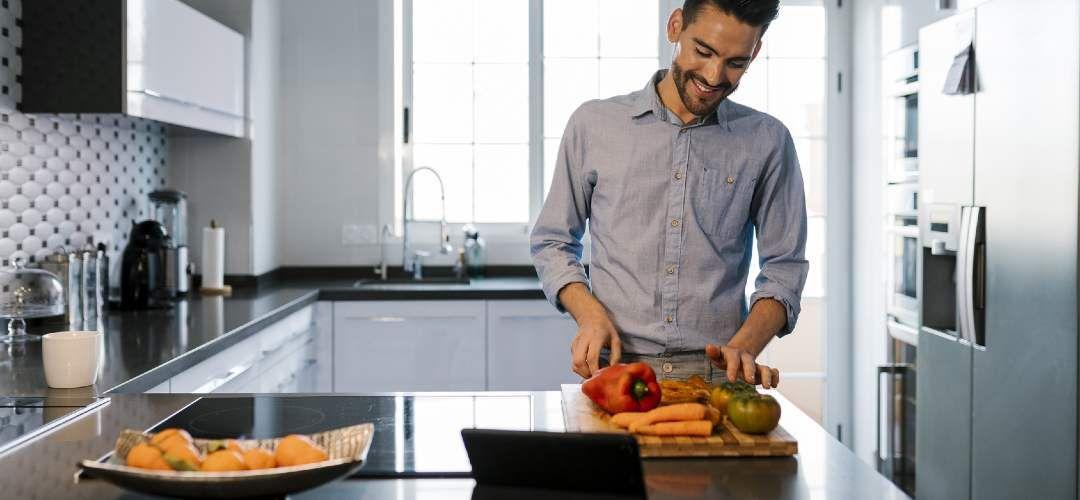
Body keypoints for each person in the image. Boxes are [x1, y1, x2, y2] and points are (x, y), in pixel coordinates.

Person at [531, 0, 807, 389]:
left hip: (720, 376)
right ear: (675, 26)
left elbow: (785, 266)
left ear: (755, 52)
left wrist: (744, 348)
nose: (714, 76)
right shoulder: (593, 125)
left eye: (736, 63)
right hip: (615, 371)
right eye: (703, 51)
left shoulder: (767, 141)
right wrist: (589, 315)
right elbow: (553, 241)